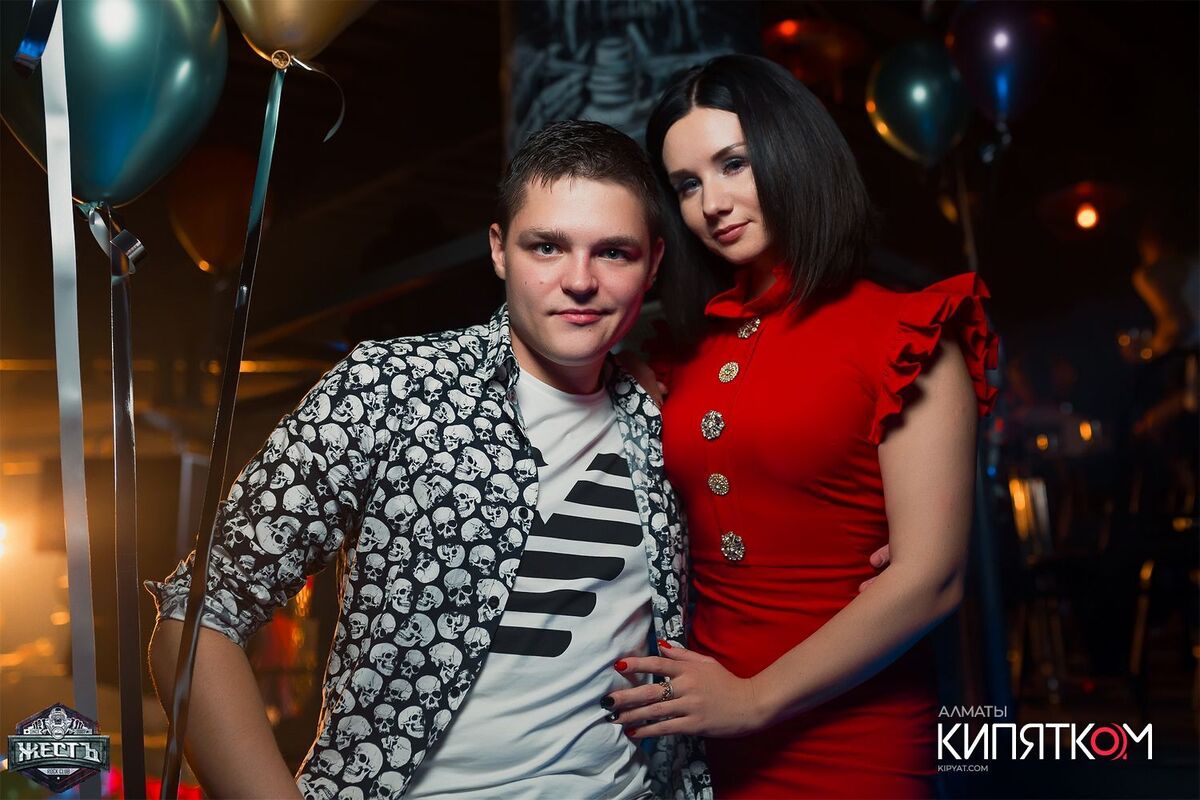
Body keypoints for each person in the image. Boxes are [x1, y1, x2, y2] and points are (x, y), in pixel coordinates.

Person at [146, 120, 711, 800]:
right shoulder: (389, 388)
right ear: (499, 250)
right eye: (547, 246)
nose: (580, 281)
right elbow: (196, 619)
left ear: (653, 262)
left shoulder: (669, 421)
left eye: (614, 252)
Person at [604, 54, 998, 798]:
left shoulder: (904, 333)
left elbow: (933, 580)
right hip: (705, 727)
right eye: (686, 184)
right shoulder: (681, 351)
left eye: (734, 164)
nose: (711, 203)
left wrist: (753, 698)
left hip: (854, 730)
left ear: (793, 151)